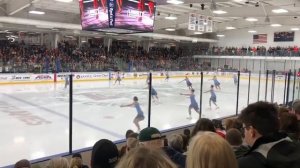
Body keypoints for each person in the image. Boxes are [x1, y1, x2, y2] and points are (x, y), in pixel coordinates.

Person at [238, 101, 300, 168]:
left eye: (244, 128)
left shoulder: (246, 163)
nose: (244, 132)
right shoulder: (295, 145)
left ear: (251, 131)